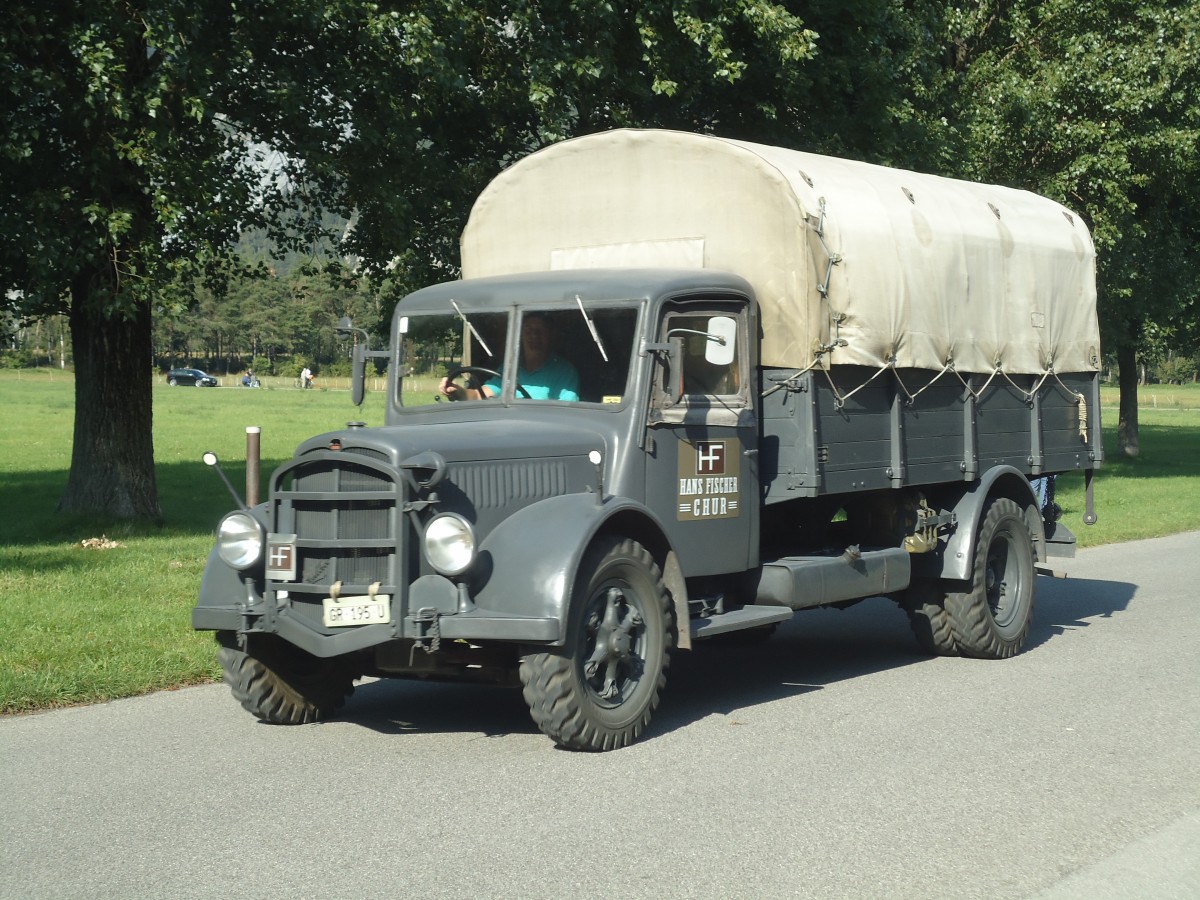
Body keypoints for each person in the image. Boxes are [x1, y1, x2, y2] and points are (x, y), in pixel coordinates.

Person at [438, 313, 579, 401]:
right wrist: (457, 391)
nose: (534, 335)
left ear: (550, 335)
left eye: (540, 330)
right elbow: (479, 395)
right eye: (528, 329)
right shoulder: (510, 368)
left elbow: (566, 412)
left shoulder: (564, 371)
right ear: (521, 335)